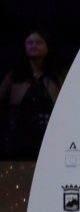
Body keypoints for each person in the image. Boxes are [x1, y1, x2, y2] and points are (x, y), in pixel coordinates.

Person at [0, 28, 67, 159]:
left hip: (50, 138)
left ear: (47, 46)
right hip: (20, 139)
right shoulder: (15, 76)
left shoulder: (58, 75)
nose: (33, 46)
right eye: (29, 43)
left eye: (38, 42)